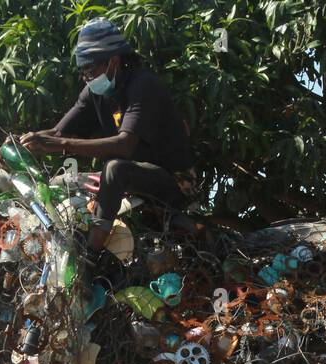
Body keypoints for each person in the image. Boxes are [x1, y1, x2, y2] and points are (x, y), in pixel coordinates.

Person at [18, 18, 198, 278]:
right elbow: (58, 132)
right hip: (134, 181)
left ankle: (90, 259)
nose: (87, 77)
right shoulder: (95, 90)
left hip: (175, 183)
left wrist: (61, 145)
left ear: (113, 61)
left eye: (90, 70)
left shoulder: (143, 85)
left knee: (114, 168)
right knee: (60, 183)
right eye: (83, 72)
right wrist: (22, 142)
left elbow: (124, 146)